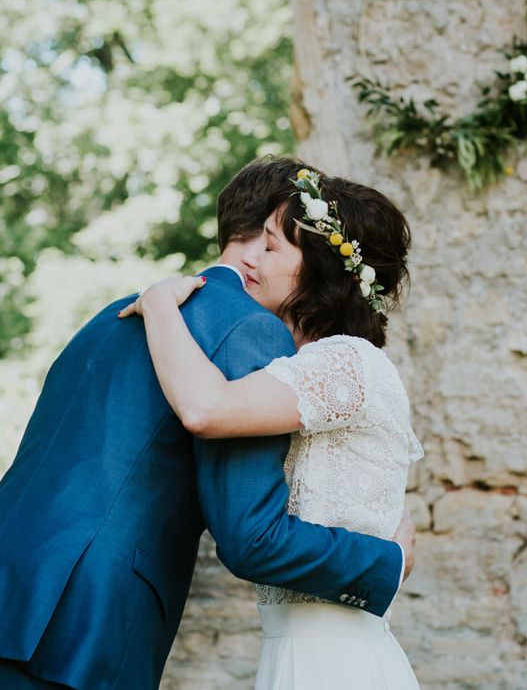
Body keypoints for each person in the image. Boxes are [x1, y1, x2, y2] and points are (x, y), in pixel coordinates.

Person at [0, 156, 414, 689]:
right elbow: (250, 536)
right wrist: (389, 561)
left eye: (277, 242)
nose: (264, 253)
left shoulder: (112, 315)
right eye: (267, 239)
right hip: (83, 618)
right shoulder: (250, 331)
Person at [118, 164, 423, 688]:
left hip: (337, 662)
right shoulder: (298, 370)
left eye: (273, 246)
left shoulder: (348, 361)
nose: (249, 259)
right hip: (291, 651)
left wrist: (160, 303)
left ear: (321, 269)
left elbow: (206, 410)